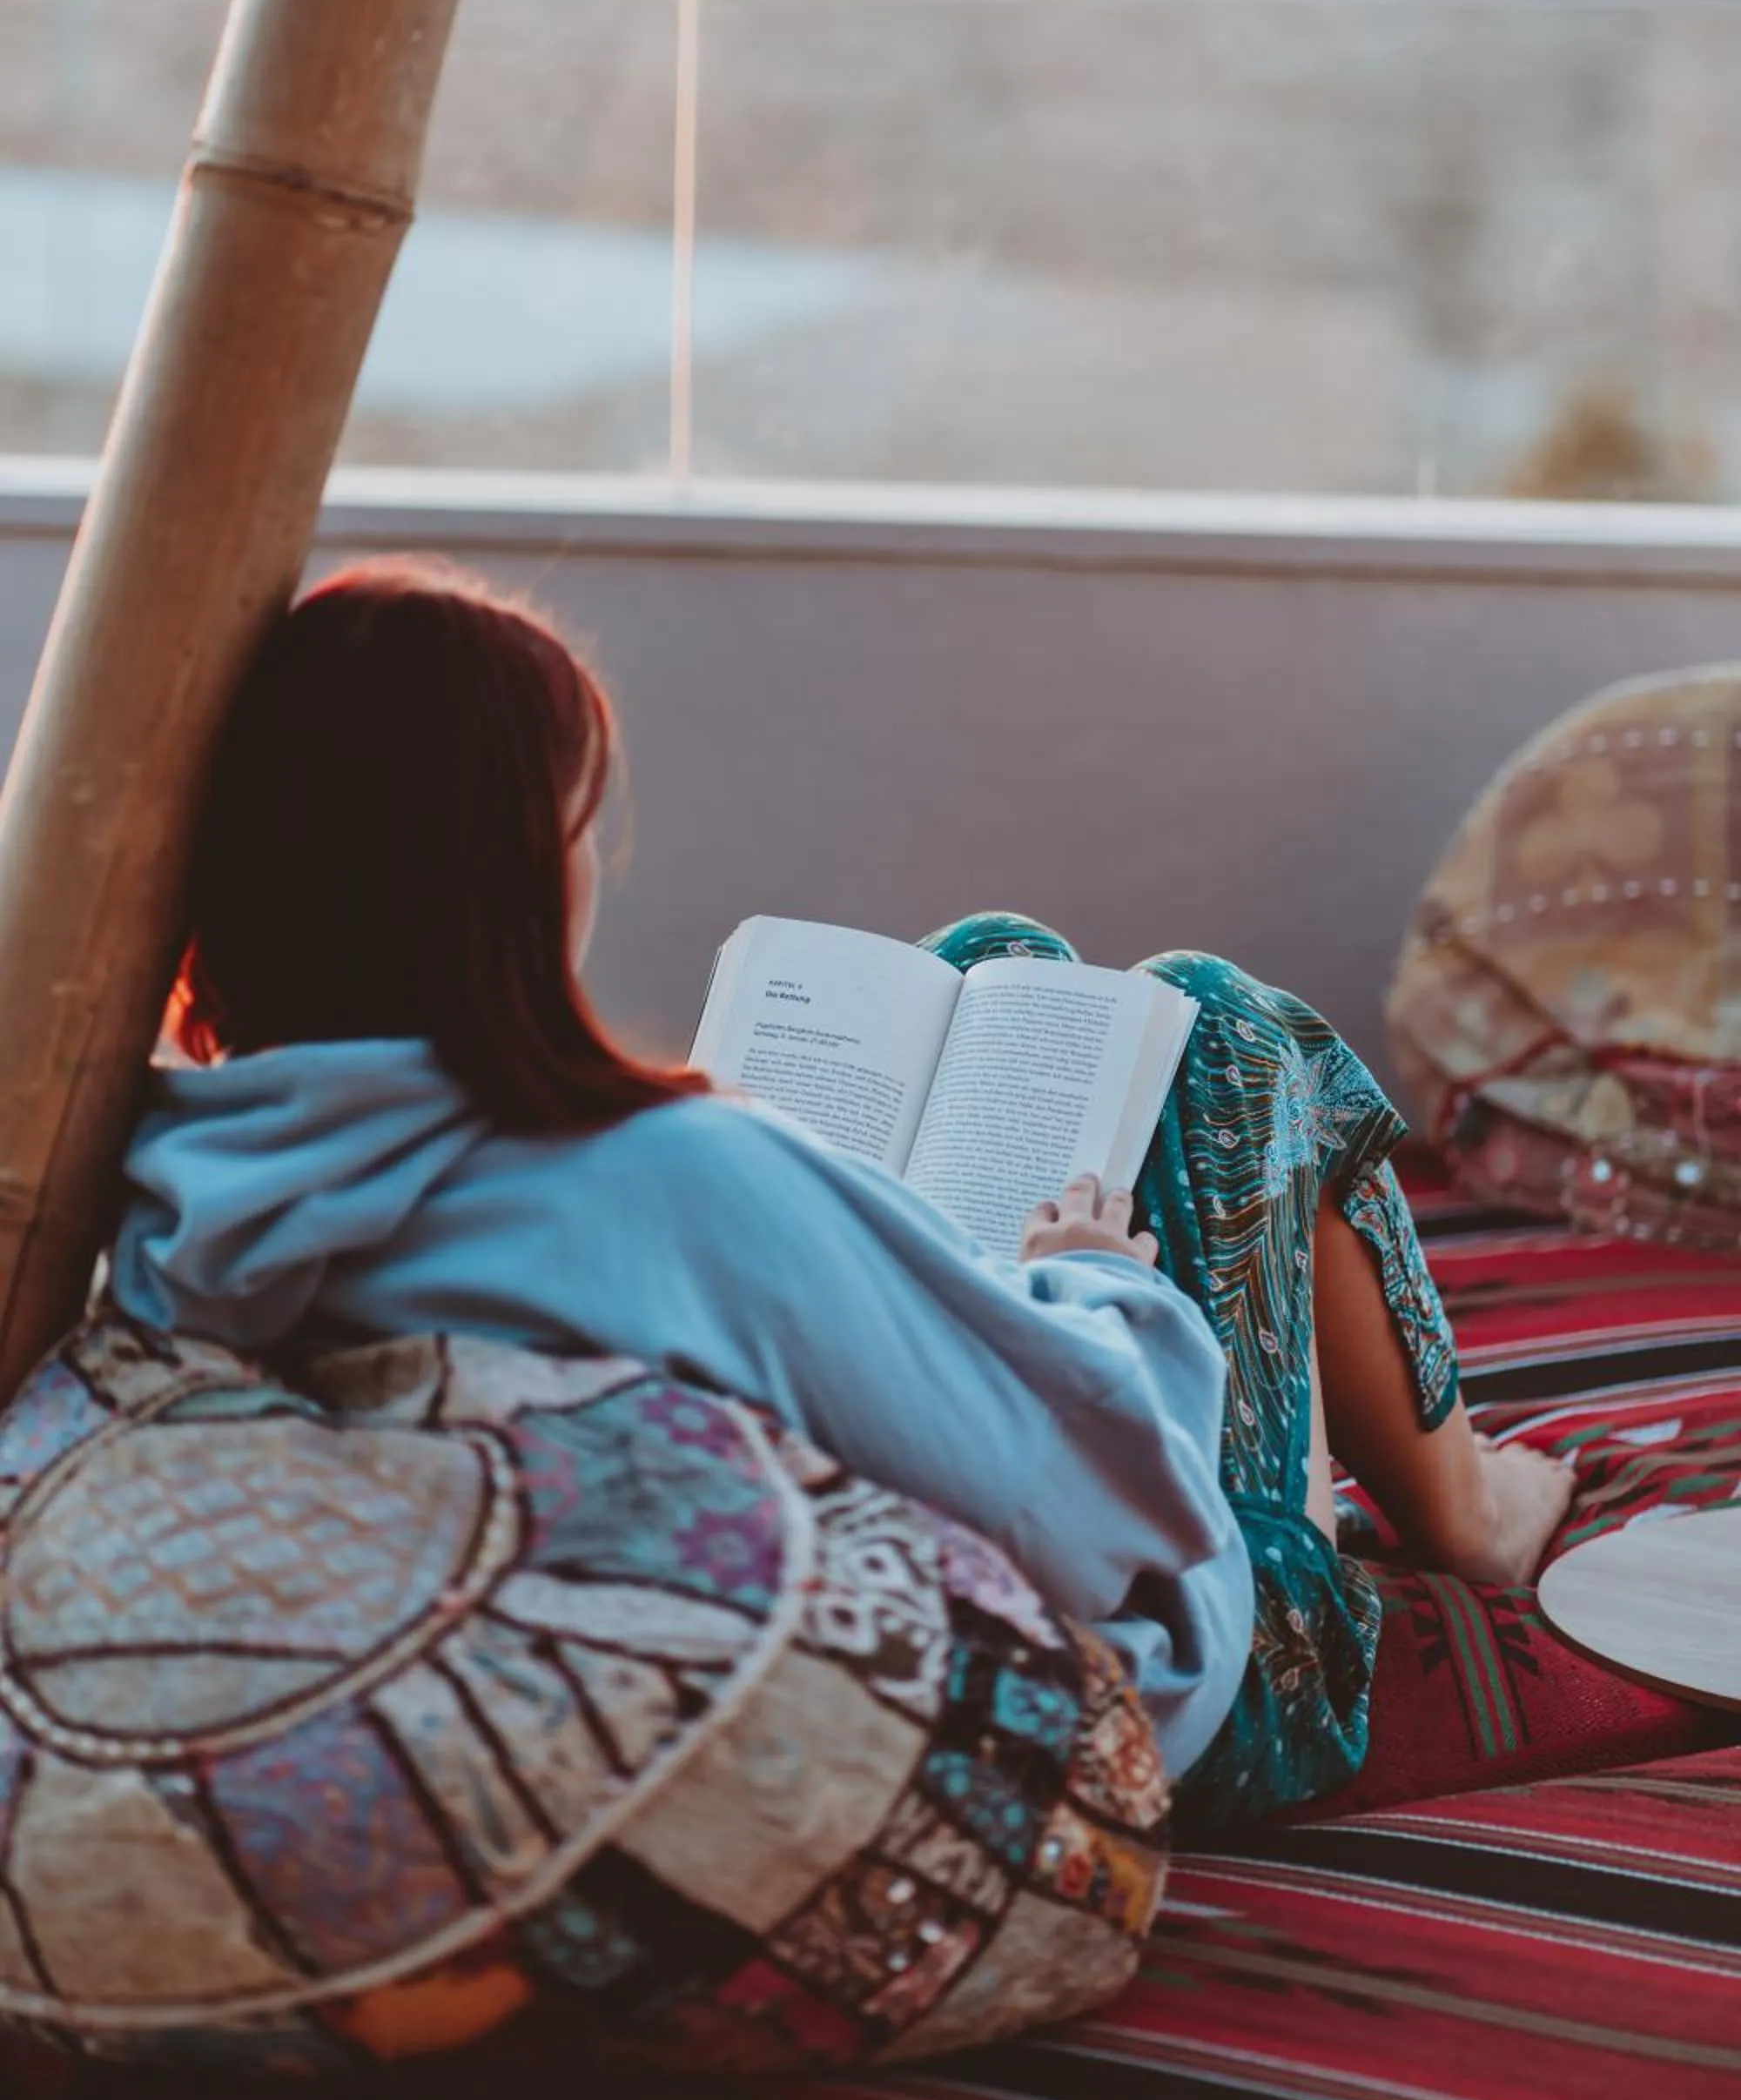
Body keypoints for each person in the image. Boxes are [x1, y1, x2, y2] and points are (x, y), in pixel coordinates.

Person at [111, 560, 1573, 1833]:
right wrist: (1096, 1283)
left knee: (995, 961)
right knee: (1223, 1024)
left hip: (683, 1558)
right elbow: (1092, 1513)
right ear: (507, 881)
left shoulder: (178, 1183)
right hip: (1174, 1701)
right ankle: (1471, 1511)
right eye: (572, 829)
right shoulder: (669, 1183)